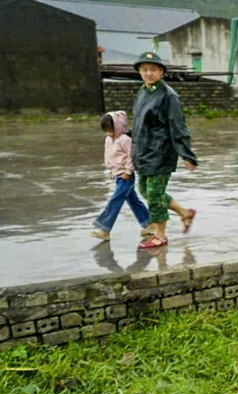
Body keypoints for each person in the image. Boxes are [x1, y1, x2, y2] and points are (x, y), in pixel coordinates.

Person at [132, 51, 198, 249]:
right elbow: (138, 123)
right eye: (144, 70)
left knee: (154, 195)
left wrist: (187, 154)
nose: (148, 73)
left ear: (161, 72)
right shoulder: (143, 92)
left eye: (153, 70)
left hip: (160, 153)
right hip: (143, 152)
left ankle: (160, 235)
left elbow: (178, 126)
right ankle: (185, 213)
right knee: (144, 190)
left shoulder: (168, 96)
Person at [91, 111, 153, 241]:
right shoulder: (108, 140)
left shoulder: (125, 139)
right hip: (117, 174)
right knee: (133, 200)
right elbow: (108, 155)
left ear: (118, 127)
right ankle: (149, 223)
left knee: (116, 199)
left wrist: (128, 171)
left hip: (126, 175)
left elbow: (131, 156)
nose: (109, 133)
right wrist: (110, 170)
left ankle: (104, 228)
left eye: (110, 130)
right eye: (106, 131)